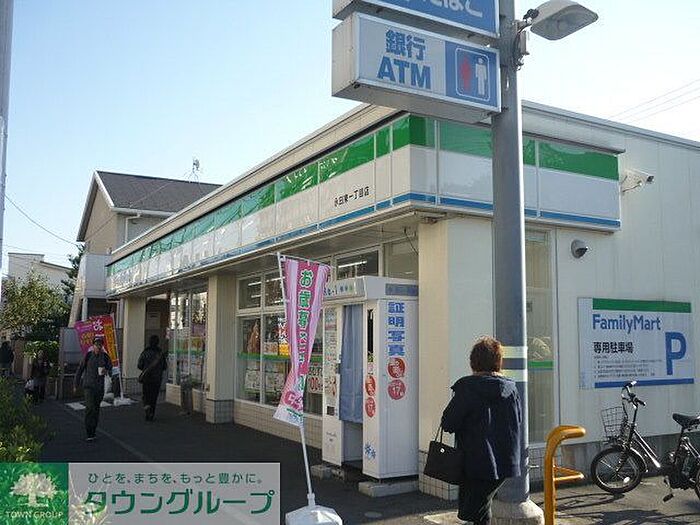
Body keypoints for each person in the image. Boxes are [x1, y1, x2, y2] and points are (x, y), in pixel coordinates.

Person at [441, 337, 522, 525]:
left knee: (475, 511)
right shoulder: (511, 389)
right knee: (481, 510)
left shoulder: (467, 388)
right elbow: (517, 421)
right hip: (504, 462)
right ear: (498, 361)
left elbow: (448, 423)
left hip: (475, 462)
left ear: (473, 362)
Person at [74, 336, 113, 441]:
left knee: (96, 409)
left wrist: (106, 371)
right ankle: (89, 432)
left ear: (102, 346)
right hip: (88, 387)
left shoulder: (105, 357)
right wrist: (75, 384)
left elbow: (111, 370)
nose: (98, 346)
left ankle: (93, 431)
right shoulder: (88, 356)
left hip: (99, 387)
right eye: (96, 344)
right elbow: (80, 370)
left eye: (100, 344)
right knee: (90, 408)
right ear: (93, 345)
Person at [137, 335, 167, 421]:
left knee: (146, 396)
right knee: (154, 397)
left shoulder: (145, 352)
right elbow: (165, 367)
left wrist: (146, 368)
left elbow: (139, 365)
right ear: (158, 342)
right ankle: (152, 413)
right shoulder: (160, 353)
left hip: (147, 378)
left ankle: (147, 409)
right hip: (157, 379)